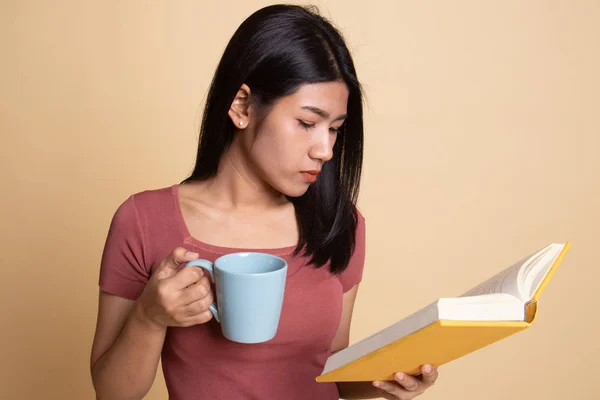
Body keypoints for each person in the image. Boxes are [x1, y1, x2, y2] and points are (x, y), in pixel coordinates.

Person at [90, 4, 438, 400]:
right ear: (242, 107)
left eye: (335, 129)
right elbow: (111, 392)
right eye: (307, 123)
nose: (325, 149)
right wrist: (149, 317)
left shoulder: (341, 224)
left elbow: (333, 371)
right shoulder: (144, 220)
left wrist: (387, 382)